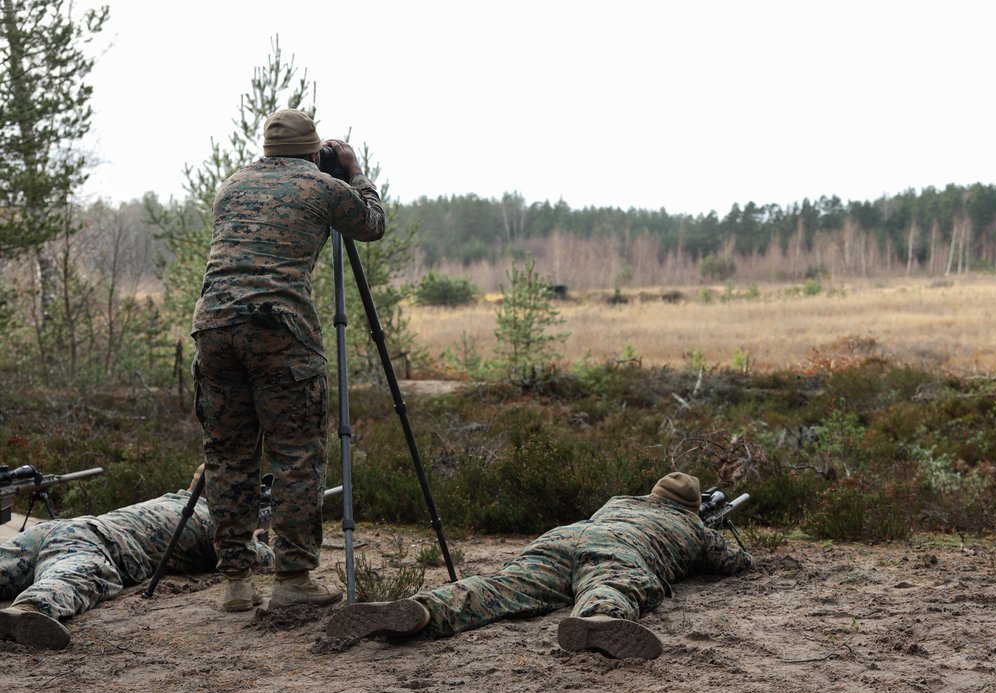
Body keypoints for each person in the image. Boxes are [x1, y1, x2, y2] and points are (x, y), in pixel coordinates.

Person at [191, 108, 385, 613]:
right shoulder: (322, 188)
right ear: (313, 149)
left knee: (228, 452)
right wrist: (354, 170)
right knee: (295, 453)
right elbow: (373, 223)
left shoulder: (231, 186)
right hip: (280, 329)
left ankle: (235, 581)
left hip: (213, 326)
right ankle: (293, 578)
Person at [325, 472, 754, 660]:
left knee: (500, 586)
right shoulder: (691, 527)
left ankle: (423, 609)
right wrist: (715, 530)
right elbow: (735, 562)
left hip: (561, 538)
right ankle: (597, 619)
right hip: (620, 550)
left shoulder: (619, 501)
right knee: (613, 583)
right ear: (691, 508)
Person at [0, 483, 273, 650]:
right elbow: (256, 559)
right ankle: (30, 608)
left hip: (60, 527)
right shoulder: (214, 518)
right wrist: (256, 539)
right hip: (97, 541)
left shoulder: (173, 499)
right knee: (73, 576)